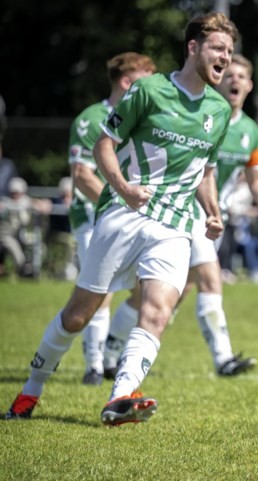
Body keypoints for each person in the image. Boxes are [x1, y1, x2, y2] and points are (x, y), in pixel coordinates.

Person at [5, 12, 240, 425]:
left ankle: (119, 396)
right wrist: (124, 188)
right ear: (193, 48)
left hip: (173, 225)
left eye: (230, 52)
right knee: (78, 315)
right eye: (219, 49)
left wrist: (214, 212)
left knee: (159, 311)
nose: (226, 57)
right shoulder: (149, 91)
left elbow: (205, 171)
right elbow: (104, 147)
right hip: (123, 214)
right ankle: (30, 391)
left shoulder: (219, 111)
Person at [102, 54, 258, 378]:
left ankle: (113, 347)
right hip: (184, 211)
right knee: (210, 278)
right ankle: (223, 359)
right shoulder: (202, 113)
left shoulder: (250, 132)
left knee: (170, 292)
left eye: (241, 76)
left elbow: (257, 178)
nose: (234, 80)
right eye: (229, 74)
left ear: (249, 85)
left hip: (212, 220)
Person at [66, 52, 157, 385]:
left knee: (143, 287)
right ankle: (93, 365)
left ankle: (109, 353)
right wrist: (120, 200)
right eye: (148, 76)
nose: (156, 83)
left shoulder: (148, 117)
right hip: (93, 216)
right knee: (99, 289)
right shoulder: (91, 118)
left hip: (133, 216)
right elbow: (82, 175)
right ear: (127, 81)